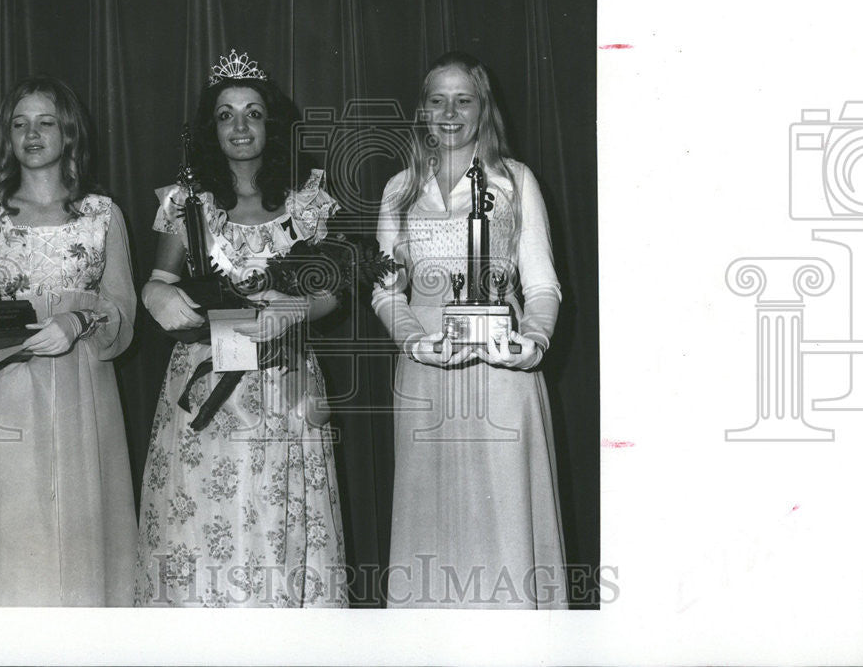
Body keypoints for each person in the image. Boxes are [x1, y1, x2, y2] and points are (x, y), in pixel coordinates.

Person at [134, 50, 347, 607]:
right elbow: (159, 277)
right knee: (205, 524)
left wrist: (297, 310)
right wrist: (156, 293)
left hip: (285, 381)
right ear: (212, 126)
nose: (240, 126)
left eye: (253, 113)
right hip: (207, 384)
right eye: (226, 114)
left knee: (280, 524)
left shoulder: (304, 202)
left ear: (271, 122)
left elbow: (331, 292)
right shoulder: (189, 203)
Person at [0, 75, 138, 606]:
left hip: (84, 394)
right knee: (12, 540)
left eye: (45, 122)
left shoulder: (103, 215)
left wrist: (78, 322)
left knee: (84, 534)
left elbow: (122, 311)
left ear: (68, 133)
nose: (32, 134)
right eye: (20, 124)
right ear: (7, 136)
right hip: (7, 394)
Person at [372, 51, 567, 609]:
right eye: (437, 100)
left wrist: (532, 343)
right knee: (430, 519)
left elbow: (543, 285)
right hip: (425, 373)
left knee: (506, 516)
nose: (450, 112)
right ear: (421, 110)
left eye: (464, 100)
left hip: (502, 369)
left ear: (484, 108)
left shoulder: (516, 180)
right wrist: (414, 340)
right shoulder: (399, 189)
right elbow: (385, 287)